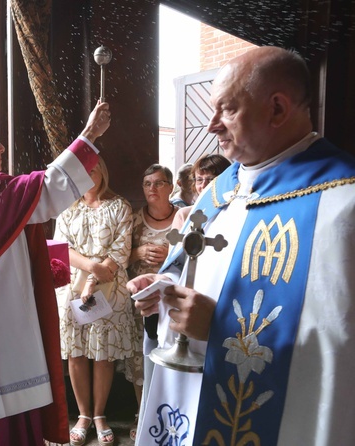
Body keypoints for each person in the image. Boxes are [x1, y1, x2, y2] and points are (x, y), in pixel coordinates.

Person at [129, 46, 355, 445]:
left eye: (226, 109)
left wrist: (222, 332)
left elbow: (340, 346)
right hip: (191, 400)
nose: (211, 124)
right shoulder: (219, 190)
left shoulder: (342, 204)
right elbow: (187, 268)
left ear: (278, 109)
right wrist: (162, 290)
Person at [0, 101, 111, 445]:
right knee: (5, 394)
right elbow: (48, 190)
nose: (2, 147)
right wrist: (90, 134)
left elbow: (6, 237)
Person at [53, 157, 133, 446]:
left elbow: (121, 250)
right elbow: (61, 248)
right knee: (76, 352)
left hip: (109, 289)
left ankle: (100, 415)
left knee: (103, 354)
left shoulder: (120, 206)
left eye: (94, 169)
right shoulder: (67, 209)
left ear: (103, 171)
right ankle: (83, 415)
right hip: (72, 288)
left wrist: (96, 277)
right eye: (82, 171)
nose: (88, 174)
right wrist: (91, 268)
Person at [125, 163, 178, 441]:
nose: (152, 189)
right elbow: (120, 255)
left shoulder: (183, 218)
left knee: (169, 355)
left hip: (171, 304)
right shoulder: (134, 219)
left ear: (171, 187)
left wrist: (169, 252)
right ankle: (142, 411)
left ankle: (170, 412)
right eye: (147, 184)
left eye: (158, 183)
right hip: (140, 304)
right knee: (139, 360)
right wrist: (138, 252)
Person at [171, 154, 231, 230]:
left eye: (211, 179)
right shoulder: (184, 214)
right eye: (199, 180)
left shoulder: (236, 211)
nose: (204, 185)